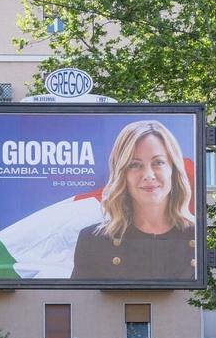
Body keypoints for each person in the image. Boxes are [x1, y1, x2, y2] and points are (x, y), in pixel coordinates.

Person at [70, 120, 197, 281]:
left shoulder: (198, 235)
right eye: (135, 165)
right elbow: (80, 303)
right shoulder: (93, 240)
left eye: (158, 162)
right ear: (122, 173)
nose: (149, 175)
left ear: (174, 169)